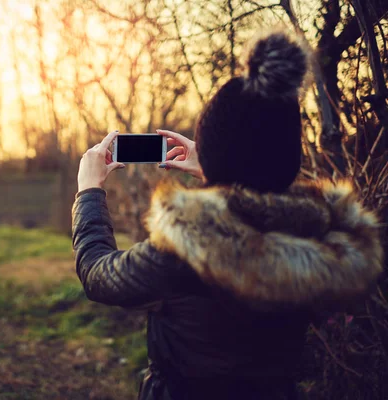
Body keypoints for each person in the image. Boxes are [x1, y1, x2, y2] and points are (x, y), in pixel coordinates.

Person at [71, 27, 384, 400]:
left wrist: (90, 191)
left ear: (217, 153)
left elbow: (98, 275)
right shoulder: (321, 243)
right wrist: (219, 169)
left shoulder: (186, 248)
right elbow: (265, 182)